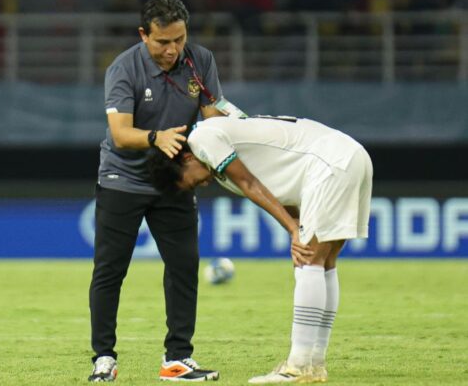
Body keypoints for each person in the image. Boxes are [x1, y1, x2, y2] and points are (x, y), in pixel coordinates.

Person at [148, 114, 373, 384]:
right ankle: (314, 363)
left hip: (329, 163)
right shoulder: (218, 158)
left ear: (186, 159)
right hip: (348, 155)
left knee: (308, 261)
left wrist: (292, 229)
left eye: (193, 182)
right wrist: (295, 222)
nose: (202, 184)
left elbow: (250, 184)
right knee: (324, 262)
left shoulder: (201, 138)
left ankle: (298, 366)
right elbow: (273, 187)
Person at [88, 0, 228, 382]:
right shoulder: (122, 69)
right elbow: (119, 134)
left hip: (174, 181)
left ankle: (177, 359)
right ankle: (104, 357)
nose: (172, 50)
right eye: (163, 41)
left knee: (184, 266)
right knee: (110, 270)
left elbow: (213, 115)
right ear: (143, 35)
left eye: (179, 39)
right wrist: (156, 138)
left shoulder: (201, 61)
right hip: (123, 179)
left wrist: (212, 138)